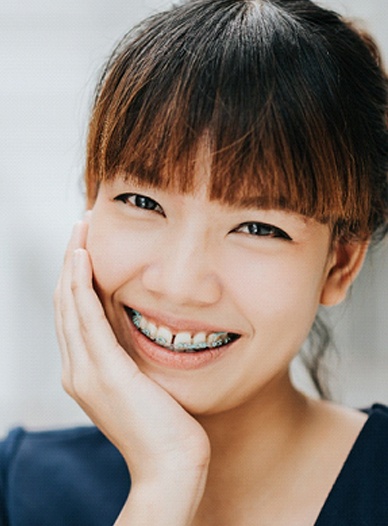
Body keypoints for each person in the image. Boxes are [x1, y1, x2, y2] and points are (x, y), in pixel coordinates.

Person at [1, 0, 387, 524]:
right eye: (143, 202)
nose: (179, 285)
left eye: (257, 228)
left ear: (340, 263)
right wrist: (166, 477)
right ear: (89, 202)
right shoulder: (21, 490)